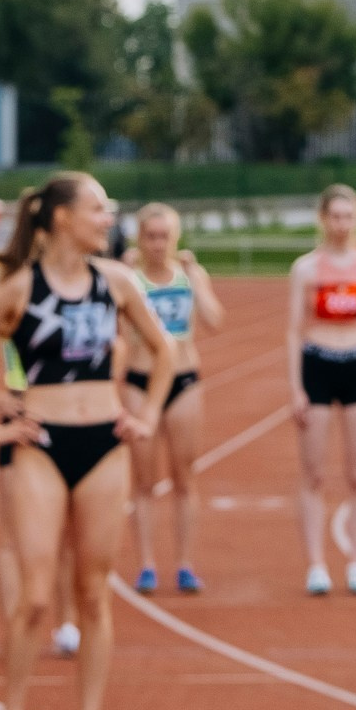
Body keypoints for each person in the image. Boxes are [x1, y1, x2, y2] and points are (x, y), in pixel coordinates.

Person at [0, 171, 172, 710]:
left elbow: (165, 350)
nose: (107, 218)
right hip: (40, 443)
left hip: (104, 443)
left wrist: (144, 415)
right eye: (98, 208)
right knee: (37, 597)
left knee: (94, 594)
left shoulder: (116, 282)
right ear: (62, 218)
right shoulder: (20, 289)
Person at [286, 184, 356, 597]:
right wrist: (296, 388)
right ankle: (315, 564)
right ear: (323, 219)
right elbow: (293, 331)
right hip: (317, 364)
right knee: (313, 473)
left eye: (349, 216)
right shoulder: (307, 270)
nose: (342, 224)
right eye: (335, 216)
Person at [121, 203, 225, 593]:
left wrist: (198, 282)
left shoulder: (188, 276)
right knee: (143, 480)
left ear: (175, 238)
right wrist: (120, 271)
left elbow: (215, 321)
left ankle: (184, 564)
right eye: (150, 236)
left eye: (164, 236)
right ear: (139, 238)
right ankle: (146, 564)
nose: (157, 244)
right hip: (140, 382)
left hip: (183, 381)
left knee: (185, 477)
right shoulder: (128, 279)